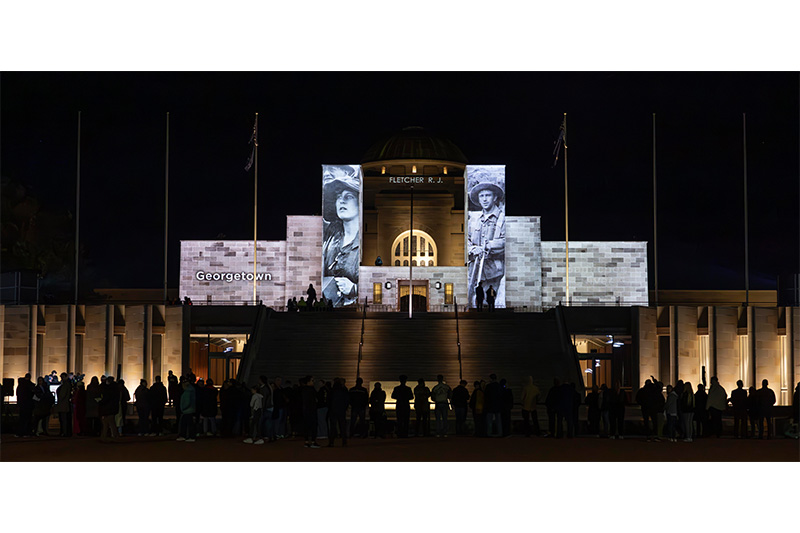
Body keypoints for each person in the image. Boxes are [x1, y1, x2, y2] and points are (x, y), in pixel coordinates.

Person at [322, 166, 361, 307]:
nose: (341, 201)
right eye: (338, 197)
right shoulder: (330, 237)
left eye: (348, 197)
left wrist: (355, 288)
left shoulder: (366, 242)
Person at [467, 170, 505, 309]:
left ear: (495, 197)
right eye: (481, 196)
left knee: (491, 301)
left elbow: (505, 241)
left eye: (488, 195)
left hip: (494, 271)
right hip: (475, 270)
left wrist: (488, 246)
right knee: (476, 301)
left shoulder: (502, 218)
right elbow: (467, 240)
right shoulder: (474, 220)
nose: (484, 199)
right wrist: (473, 248)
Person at [328, 377, 349, 446]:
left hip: (333, 410)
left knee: (333, 426)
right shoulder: (344, 390)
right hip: (341, 410)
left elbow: (329, 401)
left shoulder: (332, 390)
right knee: (342, 426)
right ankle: (344, 442)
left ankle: (331, 442)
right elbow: (347, 400)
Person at [98, 376, 120, 442]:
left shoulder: (109, 389)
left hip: (108, 408)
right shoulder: (115, 388)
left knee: (107, 422)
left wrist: (100, 402)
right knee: (110, 422)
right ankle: (111, 435)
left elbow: (106, 398)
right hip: (112, 408)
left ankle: (107, 436)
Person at [301, 376, 321, 448]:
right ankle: (313, 441)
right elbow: (316, 399)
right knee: (313, 426)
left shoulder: (303, 390)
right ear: (308, 382)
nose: (313, 382)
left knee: (307, 426)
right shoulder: (311, 390)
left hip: (306, 410)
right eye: (312, 380)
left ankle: (306, 441)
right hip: (311, 410)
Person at [55, 372, 73, 437]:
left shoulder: (65, 385)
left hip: (63, 405)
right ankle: (65, 432)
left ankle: (64, 432)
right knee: (65, 419)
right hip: (65, 404)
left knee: (63, 419)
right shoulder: (68, 384)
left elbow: (62, 395)